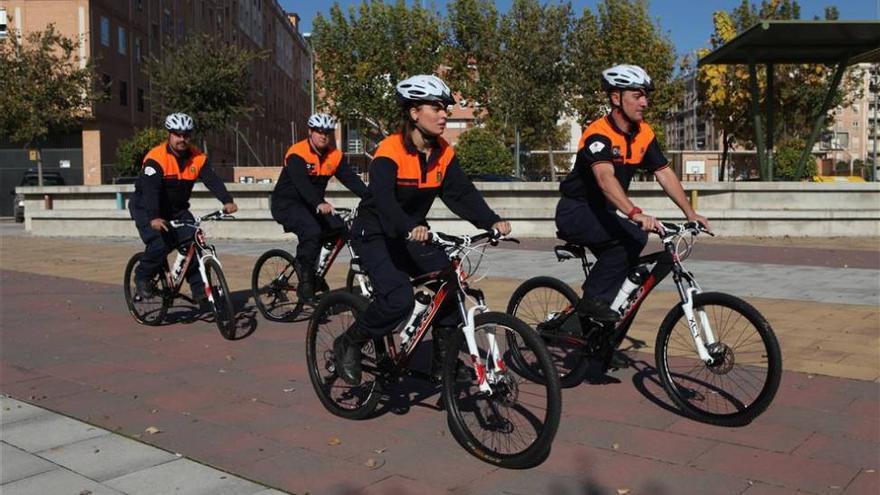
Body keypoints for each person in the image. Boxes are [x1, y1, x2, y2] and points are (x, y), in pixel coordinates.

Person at [332, 74, 511, 385]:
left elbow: (461, 194)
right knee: (398, 300)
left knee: (451, 283)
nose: (444, 115)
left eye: (446, 108)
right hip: (374, 234)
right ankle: (349, 342)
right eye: (437, 107)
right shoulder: (390, 151)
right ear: (414, 112)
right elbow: (385, 201)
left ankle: (443, 364)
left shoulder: (443, 152)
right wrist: (409, 225)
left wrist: (490, 221)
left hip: (411, 232)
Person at [556, 64, 710, 323]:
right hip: (576, 211)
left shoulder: (644, 134)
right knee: (632, 238)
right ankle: (591, 302)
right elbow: (605, 179)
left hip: (603, 212)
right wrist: (635, 213)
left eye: (645, 96)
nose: (645, 102)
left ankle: (599, 334)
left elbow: (664, 173)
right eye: (637, 95)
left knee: (627, 262)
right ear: (616, 98)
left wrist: (690, 212)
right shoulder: (598, 134)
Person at [129, 112, 238, 301]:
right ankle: (142, 276)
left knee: (193, 240)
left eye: (186, 135)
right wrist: (154, 216)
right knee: (160, 243)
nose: (182, 139)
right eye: (177, 134)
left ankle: (200, 291)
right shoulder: (156, 159)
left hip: (176, 209)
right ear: (169, 134)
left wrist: (227, 200)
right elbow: (150, 191)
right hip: (147, 207)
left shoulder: (198, 157)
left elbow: (212, 180)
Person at [270, 113, 368, 301]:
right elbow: (302, 184)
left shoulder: (333, 155)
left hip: (311, 205)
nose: (323, 136)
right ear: (310, 132)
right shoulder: (297, 153)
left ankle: (316, 272)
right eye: (319, 132)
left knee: (340, 228)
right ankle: (306, 279)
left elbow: (351, 179)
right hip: (287, 204)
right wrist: (318, 203)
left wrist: (371, 198)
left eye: (327, 132)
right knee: (312, 231)